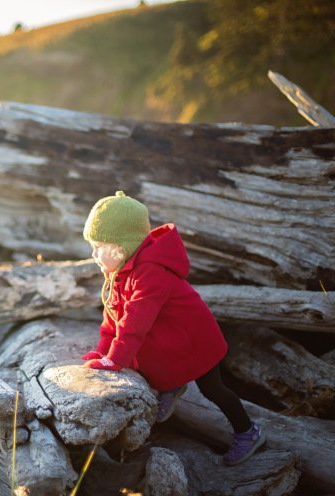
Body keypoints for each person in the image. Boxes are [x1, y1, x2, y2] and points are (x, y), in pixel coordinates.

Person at [80, 191, 266, 466]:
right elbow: (113, 315)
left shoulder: (150, 272)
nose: (94, 255)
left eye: (100, 247)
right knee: (150, 359)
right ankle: (172, 384)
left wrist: (115, 360)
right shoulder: (119, 271)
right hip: (170, 338)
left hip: (195, 339)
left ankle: (248, 431)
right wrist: (103, 351)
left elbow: (133, 322)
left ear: (123, 246)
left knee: (213, 389)